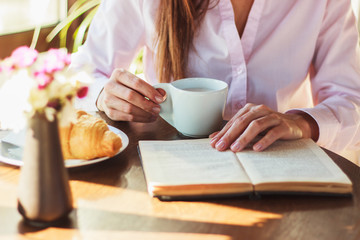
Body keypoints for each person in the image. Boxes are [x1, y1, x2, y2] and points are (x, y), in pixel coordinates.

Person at [71, 0, 360, 159]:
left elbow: (351, 99)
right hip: (176, 165)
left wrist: (301, 123)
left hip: (282, 165)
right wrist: (103, 94)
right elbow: (81, 75)